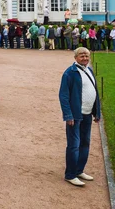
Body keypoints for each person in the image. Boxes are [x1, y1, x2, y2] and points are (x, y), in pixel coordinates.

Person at [58, 47, 101, 187]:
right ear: (75, 58)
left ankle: (79, 170)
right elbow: (63, 96)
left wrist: (97, 112)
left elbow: (95, 91)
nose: (85, 58)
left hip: (87, 114)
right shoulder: (70, 73)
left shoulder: (88, 70)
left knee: (85, 143)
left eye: (87, 56)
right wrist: (68, 115)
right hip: (75, 115)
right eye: (82, 56)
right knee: (74, 145)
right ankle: (70, 174)